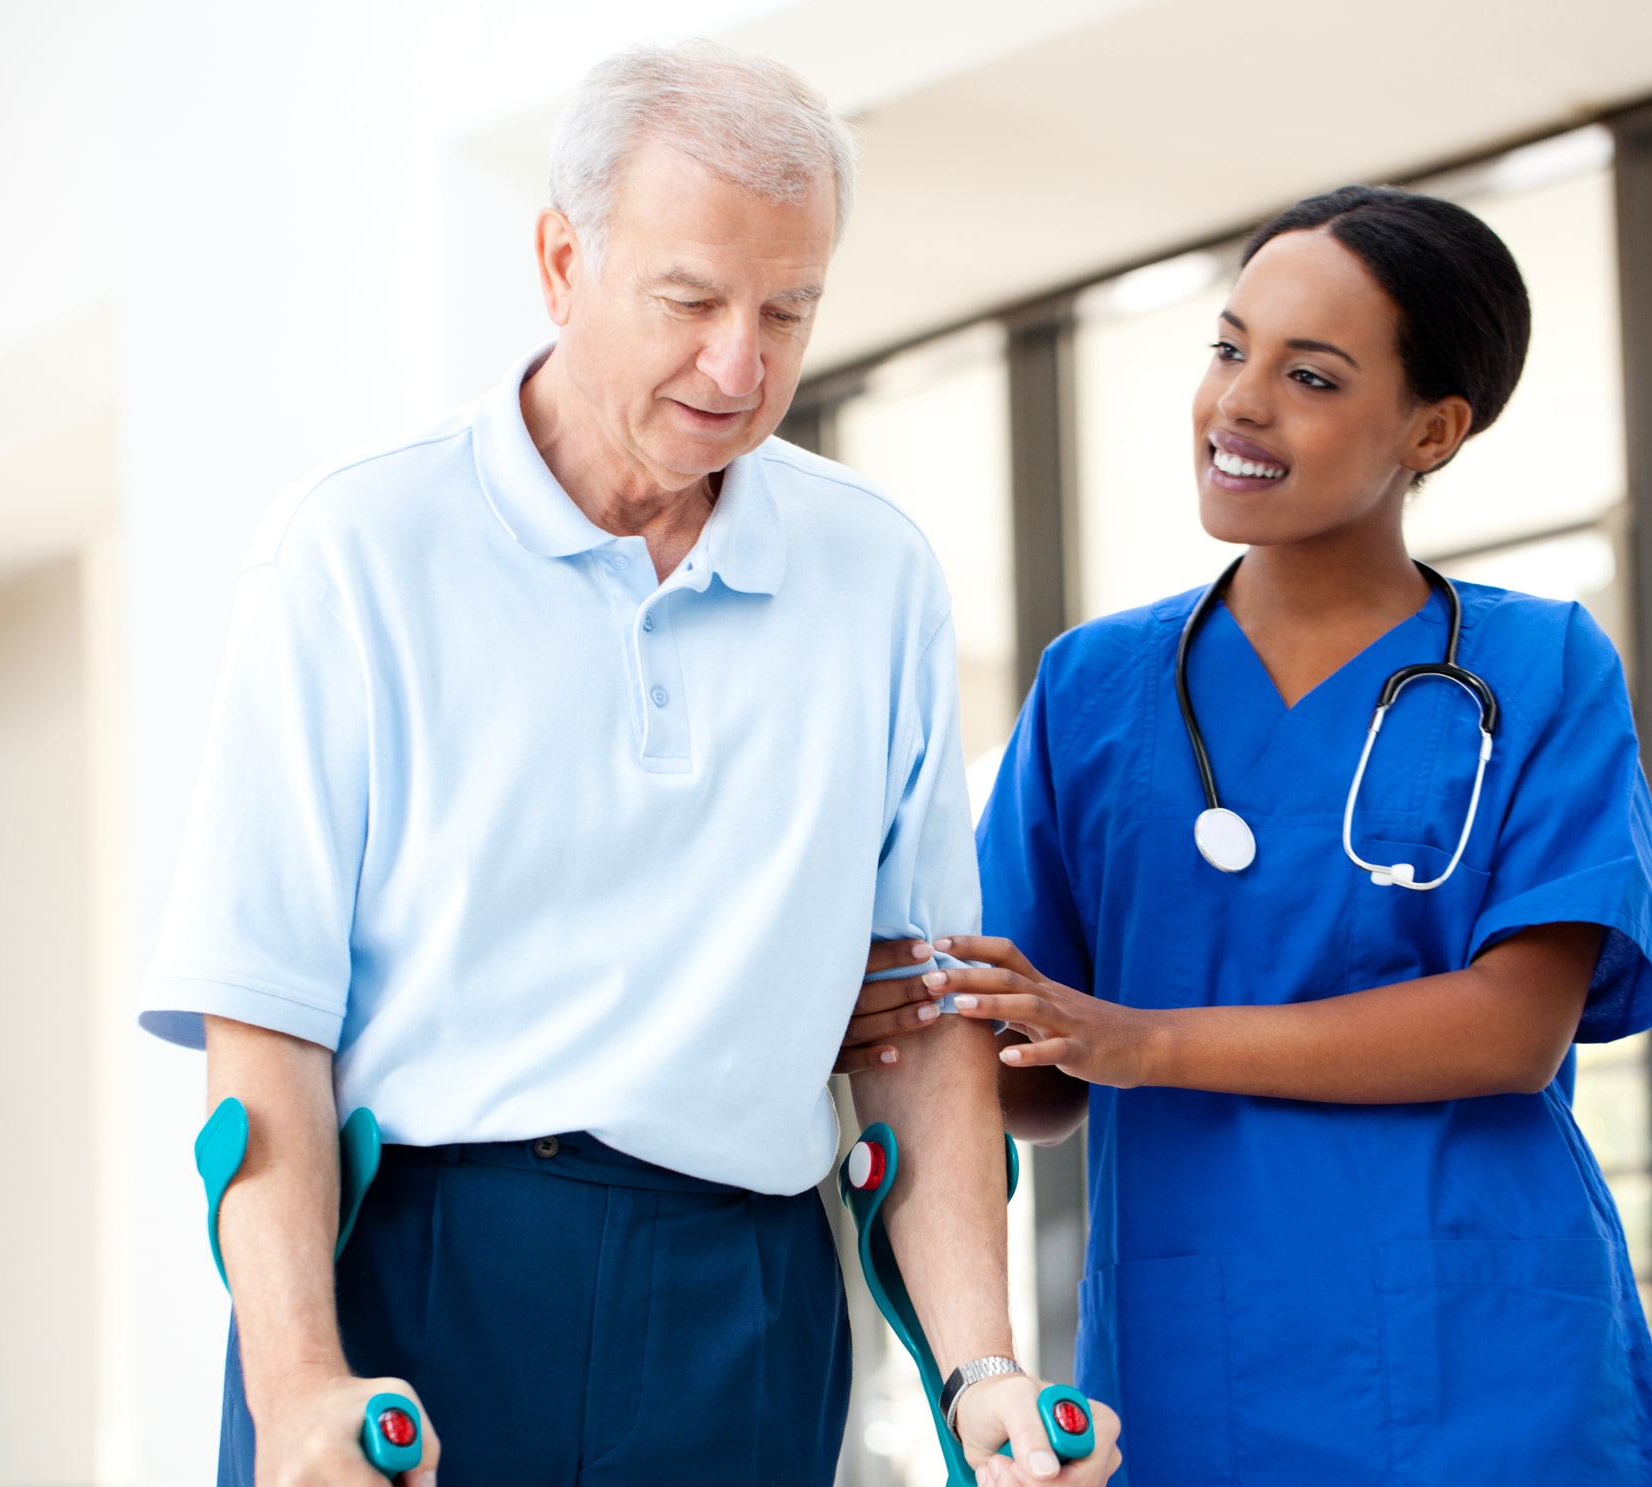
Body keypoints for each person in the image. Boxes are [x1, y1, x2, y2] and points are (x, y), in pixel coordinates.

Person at [140, 40, 1118, 1487]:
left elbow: (914, 1019)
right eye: (690, 301)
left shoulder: (872, 572)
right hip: (428, 1276)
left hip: (749, 1291)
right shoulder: (357, 549)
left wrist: (980, 1365)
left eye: (789, 309)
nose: (741, 363)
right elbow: (266, 1026)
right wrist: (296, 1387)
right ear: (559, 261)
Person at [845, 186, 1652, 1484]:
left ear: (1433, 427)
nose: (1238, 403)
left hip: (1487, 1356)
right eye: (1229, 349)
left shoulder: (1536, 664)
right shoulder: (1094, 692)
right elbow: (1031, 1080)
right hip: (1201, 1359)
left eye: (1308, 376)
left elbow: (1513, 1028)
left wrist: (1148, 1039)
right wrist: (880, 1013)